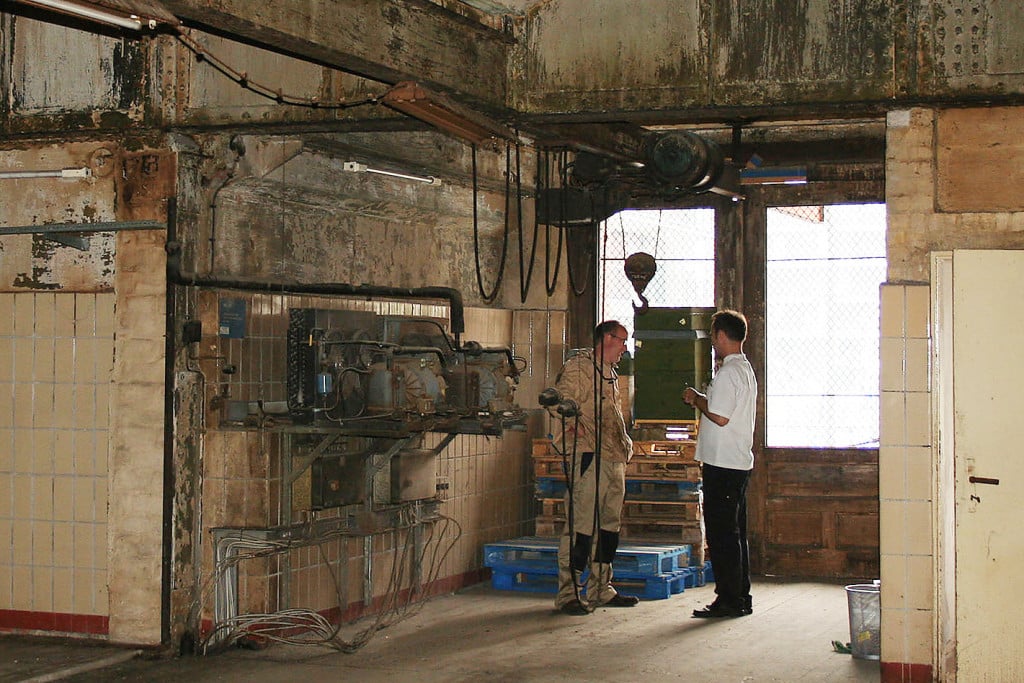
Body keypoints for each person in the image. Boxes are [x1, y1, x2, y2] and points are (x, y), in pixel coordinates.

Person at [547, 320, 639, 615]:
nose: (625, 348)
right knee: (581, 527)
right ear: (607, 339)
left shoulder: (610, 372)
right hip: (589, 456)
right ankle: (569, 592)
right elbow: (559, 401)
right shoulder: (579, 367)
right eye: (622, 341)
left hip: (613, 456)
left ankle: (601, 588)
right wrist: (574, 423)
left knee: (608, 527)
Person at [683, 310, 757, 618]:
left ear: (722, 337)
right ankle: (740, 594)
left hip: (723, 464)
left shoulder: (728, 374)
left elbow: (720, 416)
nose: (713, 342)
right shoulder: (743, 368)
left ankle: (729, 598)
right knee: (735, 532)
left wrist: (697, 399)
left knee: (723, 534)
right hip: (736, 462)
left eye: (714, 336)